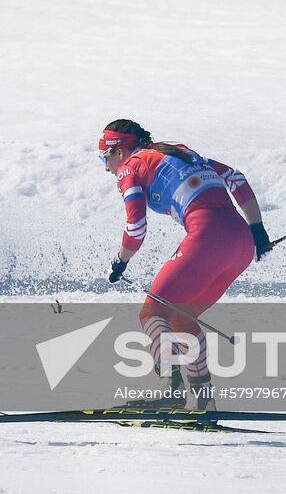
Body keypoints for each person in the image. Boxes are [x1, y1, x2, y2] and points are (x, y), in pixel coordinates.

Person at [98, 119, 273, 408]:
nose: (107, 168)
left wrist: (120, 261)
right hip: (241, 243)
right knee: (180, 316)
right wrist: (257, 228)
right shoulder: (180, 151)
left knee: (152, 312)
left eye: (105, 158)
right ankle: (204, 402)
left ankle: (171, 389)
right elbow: (236, 177)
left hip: (208, 237)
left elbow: (136, 228)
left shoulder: (132, 165)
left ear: (120, 152)